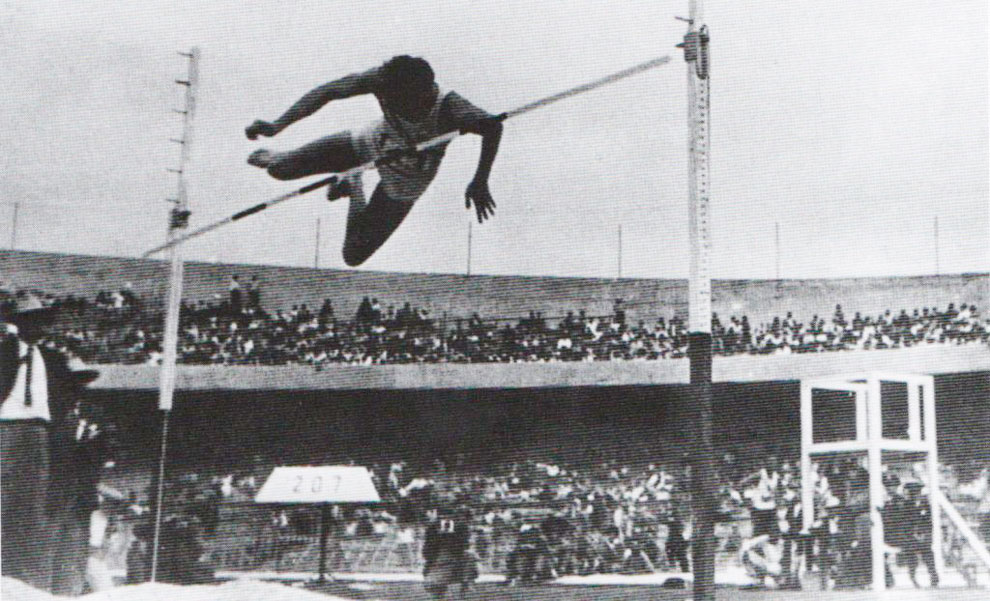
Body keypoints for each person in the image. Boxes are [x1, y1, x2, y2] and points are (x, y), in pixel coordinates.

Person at [246, 55, 503, 267]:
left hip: (407, 178)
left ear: (423, 94)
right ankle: (279, 157)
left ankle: (353, 184)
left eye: (399, 100)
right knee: (280, 170)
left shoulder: (451, 107)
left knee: (353, 255)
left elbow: (493, 127)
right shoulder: (381, 79)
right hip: (373, 142)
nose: (390, 102)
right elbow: (329, 91)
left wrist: (480, 179)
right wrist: (277, 125)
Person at [1, 291, 103, 594]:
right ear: (17, 323)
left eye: (42, 322)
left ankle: (20, 580)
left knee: (29, 506)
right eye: (31, 321)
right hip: (5, 425)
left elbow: (70, 390)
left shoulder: (52, 359)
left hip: (39, 432)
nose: (39, 328)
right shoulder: (4, 352)